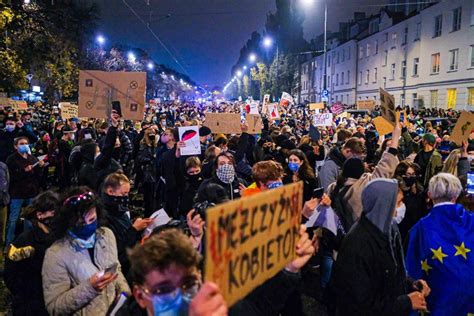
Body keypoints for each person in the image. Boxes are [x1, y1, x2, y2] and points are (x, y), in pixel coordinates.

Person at [118, 226, 315, 316]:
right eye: (164, 290)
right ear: (140, 295)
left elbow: (258, 307)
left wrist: (288, 269)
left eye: (188, 284)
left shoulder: (215, 305)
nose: (180, 298)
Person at [329, 178, 430, 315]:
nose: (400, 208)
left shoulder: (389, 230)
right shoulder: (357, 245)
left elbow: (390, 272)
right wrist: (405, 303)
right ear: (383, 206)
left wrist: (410, 284)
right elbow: (360, 305)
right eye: (397, 203)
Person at [42, 187, 130, 315]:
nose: (88, 226)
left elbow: (116, 270)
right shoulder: (56, 255)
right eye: (82, 222)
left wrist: (126, 296)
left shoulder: (106, 235)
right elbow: (55, 307)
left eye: (92, 219)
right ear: (69, 222)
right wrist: (90, 288)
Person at [406, 173, 474, 315]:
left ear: (430, 194)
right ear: (456, 195)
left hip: (437, 304)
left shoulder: (419, 229)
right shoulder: (471, 222)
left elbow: (412, 270)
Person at [4, 191, 58, 316]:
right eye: (54, 213)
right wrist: (27, 294)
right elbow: (10, 274)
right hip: (30, 305)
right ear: (40, 215)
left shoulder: (59, 240)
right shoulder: (24, 243)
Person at [102, 172, 152, 276]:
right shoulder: (103, 217)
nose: (126, 197)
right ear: (110, 191)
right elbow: (116, 247)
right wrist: (134, 229)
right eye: (123, 194)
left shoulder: (120, 210)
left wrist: (139, 228)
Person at [5, 136, 45, 247]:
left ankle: (27, 242)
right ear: (15, 146)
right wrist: (24, 171)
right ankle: (9, 244)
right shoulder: (11, 159)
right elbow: (10, 177)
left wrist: (41, 167)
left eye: (26, 143)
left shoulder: (32, 158)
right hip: (17, 193)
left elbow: (38, 176)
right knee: (13, 219)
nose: (24, 145)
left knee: (30, 218)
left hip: (31, 192)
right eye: (21, 143)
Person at [393, 161, 428, 242]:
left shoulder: (419, 192)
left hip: (414, 233)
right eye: (408, 174)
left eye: (413, 174)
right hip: (399, 234)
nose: (411, 177)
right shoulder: (394, 193)